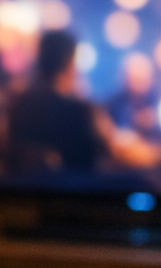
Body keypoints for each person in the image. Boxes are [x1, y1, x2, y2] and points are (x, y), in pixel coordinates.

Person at [6, 30, 104, 172]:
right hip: (71, 191)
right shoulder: (77, 110)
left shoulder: (17, 104)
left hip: (22, 190)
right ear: (69, 62)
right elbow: (92, 165)